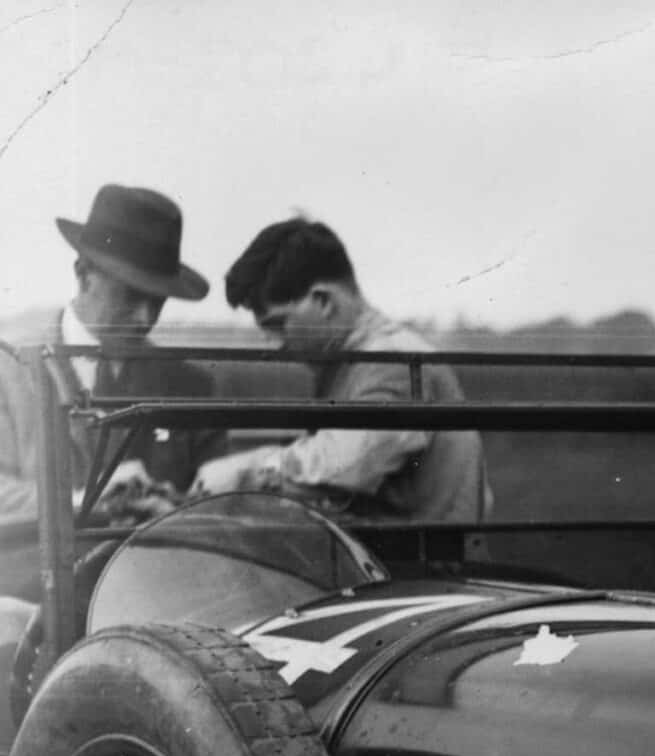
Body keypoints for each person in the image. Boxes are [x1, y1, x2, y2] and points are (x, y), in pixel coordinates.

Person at [0, 184, 220, 603]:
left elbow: (213, 511)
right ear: (83, 274)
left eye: (158, 303)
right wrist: (86, 500)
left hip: (158, 603)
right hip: (30, 608)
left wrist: (175, 511)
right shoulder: (7, 370)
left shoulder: (192, 387)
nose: (145, 319)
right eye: (132, 296)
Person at [194, 219, 489, 529]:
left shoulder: (391, 361)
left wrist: (247, 473)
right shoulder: (351, 363)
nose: (273, 343)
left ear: (322, 301)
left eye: (278, 325)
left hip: (427, 566)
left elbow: (345, 465)